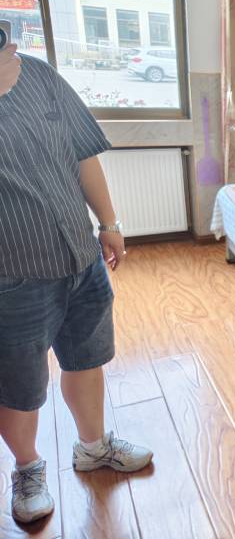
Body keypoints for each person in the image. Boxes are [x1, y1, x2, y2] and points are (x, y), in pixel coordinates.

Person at [0, 43, 152, 523]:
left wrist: (109, 222)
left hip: (80, 257)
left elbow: (83, 153)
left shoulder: (39, 75)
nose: (8, 45)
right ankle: (27, 468)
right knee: (18, 384)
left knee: (87, 358)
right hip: (12, 276)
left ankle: (93, 446)